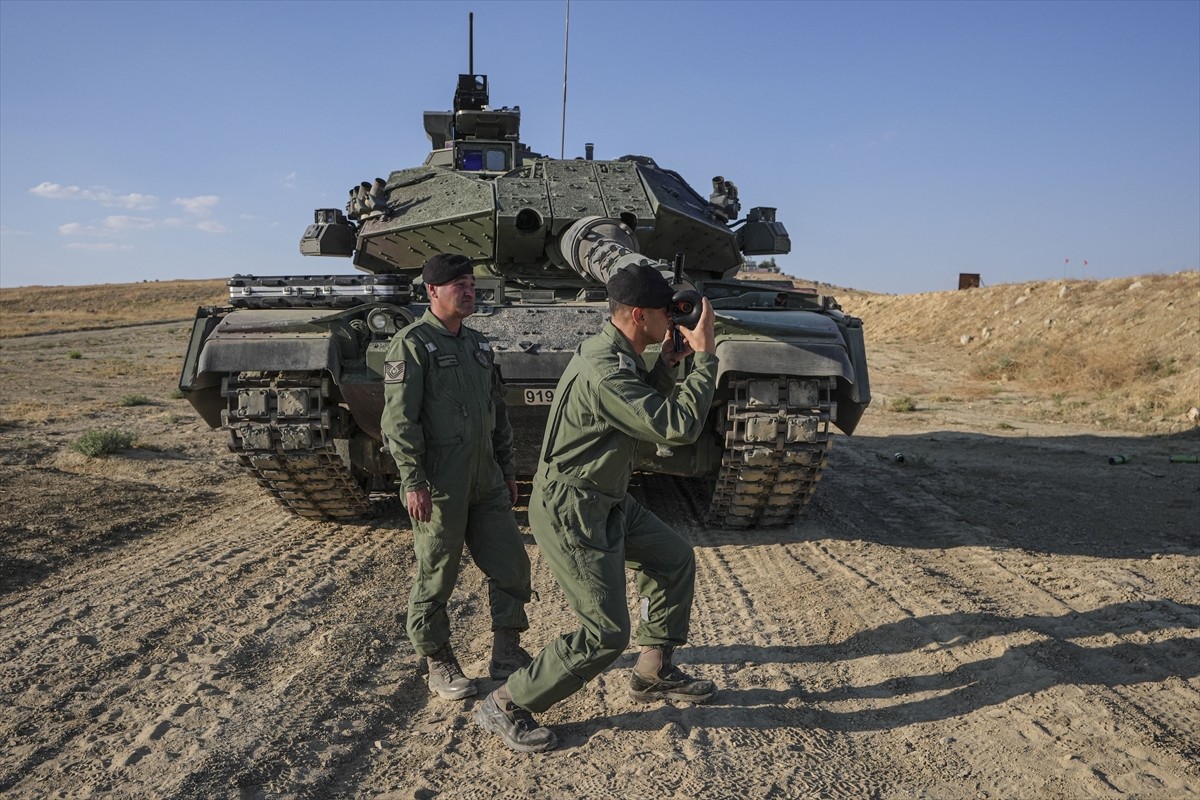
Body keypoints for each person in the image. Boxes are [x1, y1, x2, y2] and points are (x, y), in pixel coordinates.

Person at [474, 261, 719, 752]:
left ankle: (652, 670)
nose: (672, 320)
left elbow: (639, 407)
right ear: (637, 315)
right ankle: (506, 702)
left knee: (672, 559)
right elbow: (677, 427)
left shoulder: (617, 353)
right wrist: (706, 357)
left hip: (605, 497)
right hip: (573, 508)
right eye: (665, 312)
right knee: (605, 634)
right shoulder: (606, 369)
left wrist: (666, 367)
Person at [381, 252, 534, 701]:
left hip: (486, 479)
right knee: (437, 574)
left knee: (512, 565)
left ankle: (506, 653)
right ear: (432, 291)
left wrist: (507, 469)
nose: (469, 292)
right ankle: (437, 659)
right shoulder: (412, 344)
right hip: (440, 483)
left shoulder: (478, 345)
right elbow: (399, 422)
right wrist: (413, 481)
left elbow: (496, 412)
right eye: (459, 286)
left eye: (471, 284)